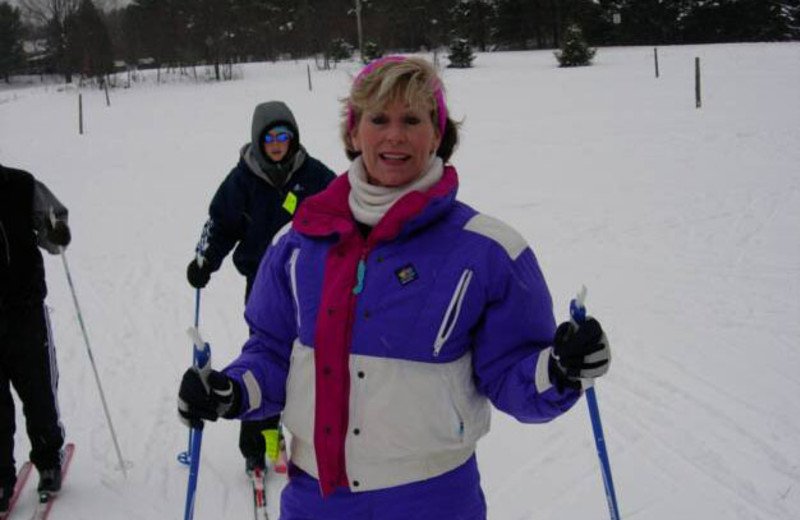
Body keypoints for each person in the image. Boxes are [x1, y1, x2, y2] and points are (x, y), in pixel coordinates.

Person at [178, 56, 611, 519]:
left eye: (412, 119)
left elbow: (512, 373)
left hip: (434, 500)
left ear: (438, 132)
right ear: (353, 131)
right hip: (316, 500)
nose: (394, 135)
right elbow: (272, 354)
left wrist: (562, 369)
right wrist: (230, 390)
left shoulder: (489, 250)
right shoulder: (298, 244)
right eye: (378, 118)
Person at [185, 101, 337, 474]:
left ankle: (306, 429)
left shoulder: (314, 176)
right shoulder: (242, 179)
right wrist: (205, 259)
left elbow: (345, 211)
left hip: (311, 281)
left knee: (309, 358)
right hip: (262, 283)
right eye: (270, 137)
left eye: (283, 136)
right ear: (258, 140)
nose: (277, 144)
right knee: (266, 356)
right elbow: (220, 225)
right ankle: (258, 441)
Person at [1, 164, 71, 513]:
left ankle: (48, 459)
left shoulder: (20, 184)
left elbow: (53, 219)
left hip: (24, 310)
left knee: (38, 388)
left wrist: (57, 233)